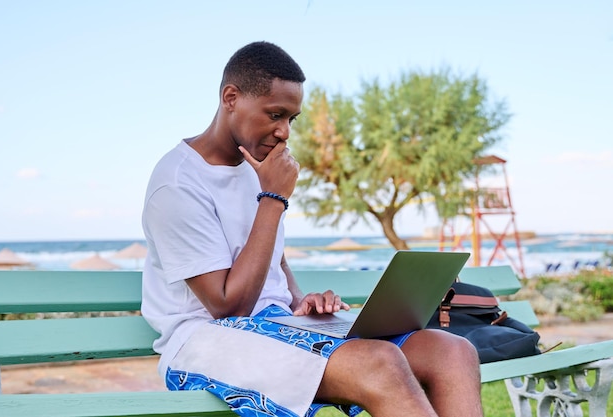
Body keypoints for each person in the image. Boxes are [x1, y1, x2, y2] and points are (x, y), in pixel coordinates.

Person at [141, 41, 483, 417]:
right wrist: (273, 198)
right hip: (204, 342)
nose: (285, 132)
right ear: (231, 97)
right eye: (275, 114)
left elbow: (273, 262)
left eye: (292, 119)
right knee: (380, 361)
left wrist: (299, 300)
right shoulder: (177, 182)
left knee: (452, 351)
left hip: (278, 325)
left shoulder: (257, 167)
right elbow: (228, 306)